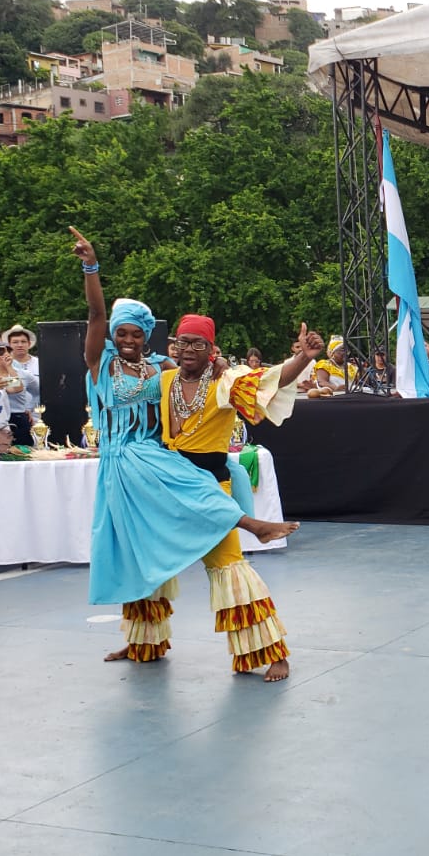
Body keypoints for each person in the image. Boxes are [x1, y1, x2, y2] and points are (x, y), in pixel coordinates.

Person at [69, 228, 303, 681]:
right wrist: (91, 266)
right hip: (128, 476)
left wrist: (289, 362)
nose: (130, 339)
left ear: (150, 337)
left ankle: (271, 649)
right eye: (123, 332)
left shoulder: (168, 370)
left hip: (173, 471)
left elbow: (239, 380)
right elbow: (95, 312)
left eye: (138, 333)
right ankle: (143, 641)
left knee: (227, 566)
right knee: (140, 557)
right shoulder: (106, 364)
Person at [5, 325, 40, 446]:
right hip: (6, 416)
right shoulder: (3, 367)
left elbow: (38, 391)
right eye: (15, 342)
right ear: (9, 345)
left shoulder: (40, 363)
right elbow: (13, 389)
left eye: (23, 342)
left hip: (33, 416)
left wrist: (28, 408)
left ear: (29, 344)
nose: (20, 345)